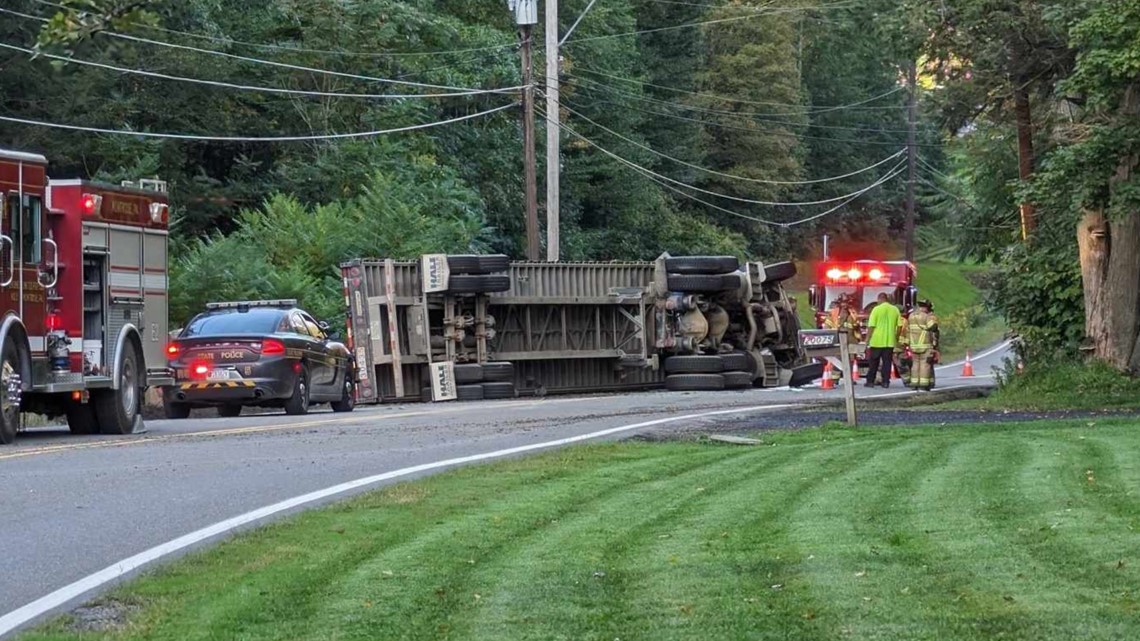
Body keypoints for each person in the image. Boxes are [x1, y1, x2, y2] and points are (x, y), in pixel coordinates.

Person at [864, 292, 901, 388]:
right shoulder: (895, 310)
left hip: (876, 341)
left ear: (880, 299)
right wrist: (896, 337)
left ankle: (870, 381)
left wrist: (867, 339)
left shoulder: (876, 309)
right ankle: (885, 382)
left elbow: (871, 326)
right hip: (889, 341)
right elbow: (900, 326)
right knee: (887, 363)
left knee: (873, 363)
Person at [905, 299, 939, 391]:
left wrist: (907, 344)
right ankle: (923, 384)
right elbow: (933, 327)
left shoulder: (911, 316)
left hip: (914, 345)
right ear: (926, 307)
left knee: (915, 364)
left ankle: (914, 383)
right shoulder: (926, 316)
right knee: (925, 364)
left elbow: (908, 330)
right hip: (925, 345)